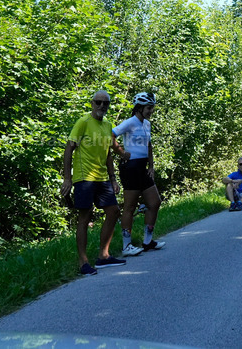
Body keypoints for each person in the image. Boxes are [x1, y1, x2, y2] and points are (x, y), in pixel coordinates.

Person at [61, 90, 127, 275]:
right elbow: (69, 150)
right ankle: (83, 263)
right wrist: (67, 178)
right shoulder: (83, 122)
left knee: (113, 212)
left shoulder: (107, 125)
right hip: (84, 177)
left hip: (102, 177)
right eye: (98, 102)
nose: (101, 106)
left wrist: (113, 178)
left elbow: (107, 153)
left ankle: (104, 256)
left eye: (105, 103)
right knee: (85, 217)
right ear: (92, 103)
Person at [112, 92, 165, 254]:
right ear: (139, 108)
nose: (151, 111)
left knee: (154, 202)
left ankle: (147, 242)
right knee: (129, 207)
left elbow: (148, 145)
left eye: (152, 108)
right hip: (131, 167)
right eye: (149, 108)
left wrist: (151, 165)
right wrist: (121, 153)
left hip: (142, 167)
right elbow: (111, 135)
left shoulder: (146, 124)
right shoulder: (130, 122)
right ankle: (126, 246)